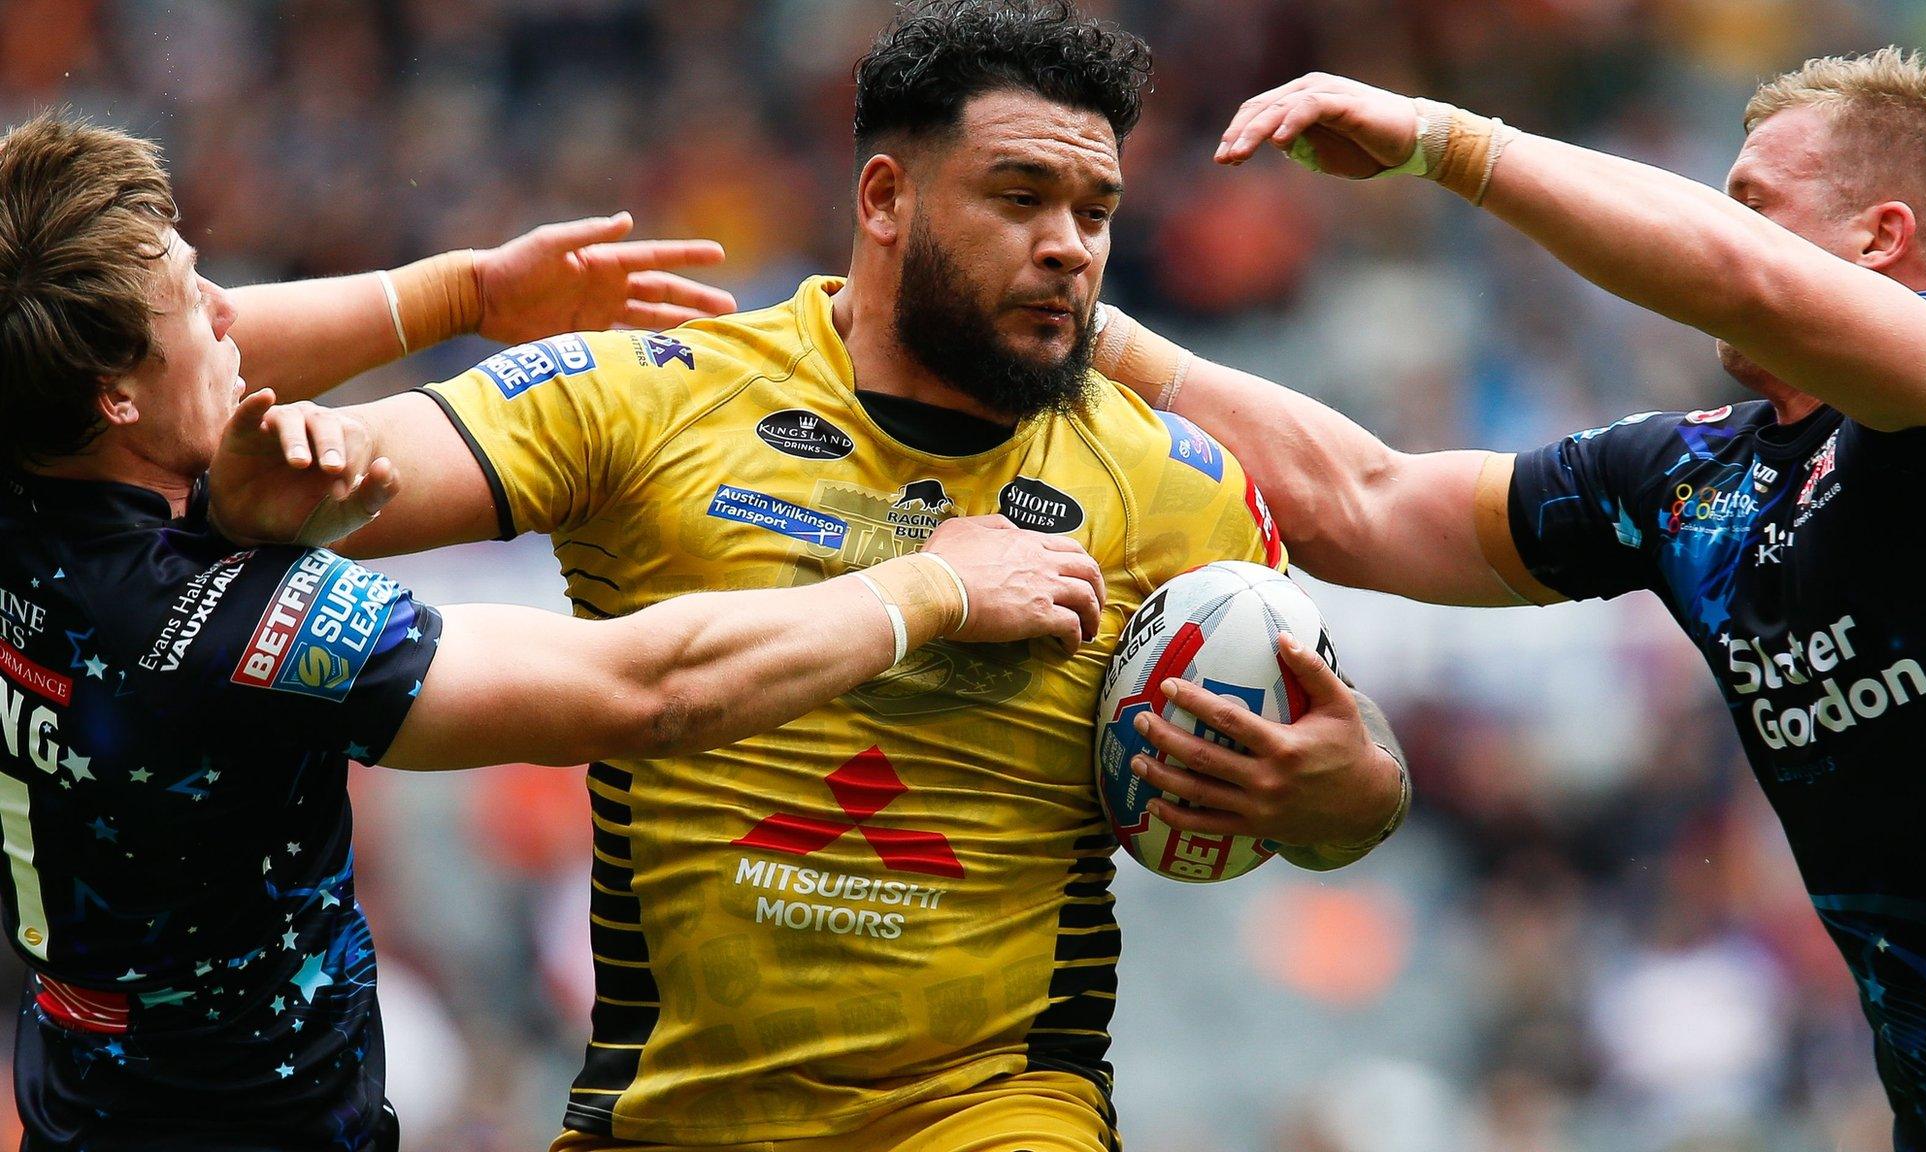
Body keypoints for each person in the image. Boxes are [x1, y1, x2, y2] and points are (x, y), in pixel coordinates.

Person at [206, 3, 1413, 1149]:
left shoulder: (1174, 486)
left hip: (991, 1108)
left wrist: (1343, 790)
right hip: (668, 1110)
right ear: (883, 198)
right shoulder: (653, 396)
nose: (1067, 246)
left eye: (1094, 211)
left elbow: (1348, 781)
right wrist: (299, 460)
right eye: (1019, 196)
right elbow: (288, 474)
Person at [0, 110, 1104, 1152]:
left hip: (81, 1096)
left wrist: (466, 290)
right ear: (115, 401)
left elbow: (186, 345)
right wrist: (929, 590)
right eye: (197, 301)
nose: (237, 314)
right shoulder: (226, 626)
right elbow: (644, 690)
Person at [1088, 48, 1926, 1152]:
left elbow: (1744, 280)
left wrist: (1444, 141)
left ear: (1875, 239)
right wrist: (1087, 333)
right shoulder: (1691, 485)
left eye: (1743, 205)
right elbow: (1364, 503)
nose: (1705, 228)